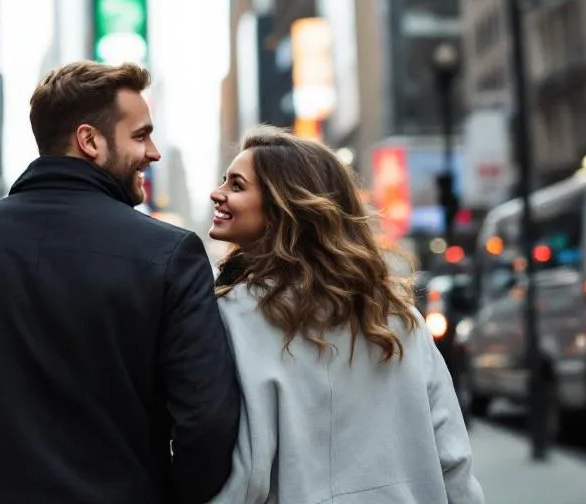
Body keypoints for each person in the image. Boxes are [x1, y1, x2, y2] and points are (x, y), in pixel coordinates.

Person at [0, 61, 241, 504]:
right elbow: (207, 424)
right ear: (90, 140)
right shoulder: (170, 254)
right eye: (141, 135)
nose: (154, 152)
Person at [207, 128, 484, 504]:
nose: (217, 193)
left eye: (236, 185)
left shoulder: (233, 317)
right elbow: (452, 457)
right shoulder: (398, 319)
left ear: (281, 209)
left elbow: (246, 471)